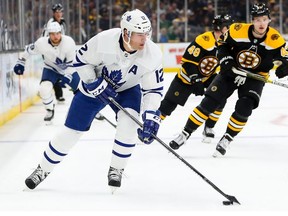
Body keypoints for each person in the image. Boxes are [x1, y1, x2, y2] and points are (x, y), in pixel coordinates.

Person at [24, 9, 164, 191]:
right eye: (139, 35)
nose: (144, 39)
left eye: (146, 33)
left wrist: (151, 114)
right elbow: (80, 61)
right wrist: (91, 82)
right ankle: (42, 169)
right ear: (126, 33)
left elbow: (153, 89)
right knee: (70, 132)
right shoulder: (103, 40)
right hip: (94, 88)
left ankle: (117, 168)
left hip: (128, 89)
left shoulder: (152, 54)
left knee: (128, 123)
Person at [168, 3, 288, 156]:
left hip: (255, 78)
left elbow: (285, 57)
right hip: (231, 72)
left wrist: (285, 67)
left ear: (269, 20)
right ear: (252, 21)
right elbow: (221, 44)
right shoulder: (237, 30)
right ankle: (185, 133)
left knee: (245, 106)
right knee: (209, 102)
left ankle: (227, 138)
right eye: (257, 20)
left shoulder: (276, 39)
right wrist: (225, 60)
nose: (261, 23)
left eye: (264, 19)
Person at [159, 14, 233, 145]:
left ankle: (209, 127)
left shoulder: (228, 42)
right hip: (187, 78)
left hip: (207, 76)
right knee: (168, 104)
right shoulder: (204, 40)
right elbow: (188, 63)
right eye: (229, 27)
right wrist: (196, 80)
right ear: (221, 28)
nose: (231, 29)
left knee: (220, 97)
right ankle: (152, 125)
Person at [13, 22, 80, 124]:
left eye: (57, 33)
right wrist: (21, 62)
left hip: (68, 69)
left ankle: (91, 108)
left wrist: (68, 75)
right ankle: (49, 109)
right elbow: (28, 50)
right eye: (52, 34)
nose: (55, 36)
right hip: (51, 69)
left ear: (61, 32)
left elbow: (72, 62)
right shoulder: (41, 43)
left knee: (82, 89)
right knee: (44, 89)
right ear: (48, 34)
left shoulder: (69, 42)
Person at [42, 3, 67, 103]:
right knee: (54, 70)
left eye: (60, 12)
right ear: (53, 13)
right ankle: (56, 94)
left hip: (60, 49)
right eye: (56, 12)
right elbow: (45, 39)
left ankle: (54, 92)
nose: (58, 14)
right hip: (50, 50)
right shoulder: (50, 23)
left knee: (60, 70)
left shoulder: (63, 22)